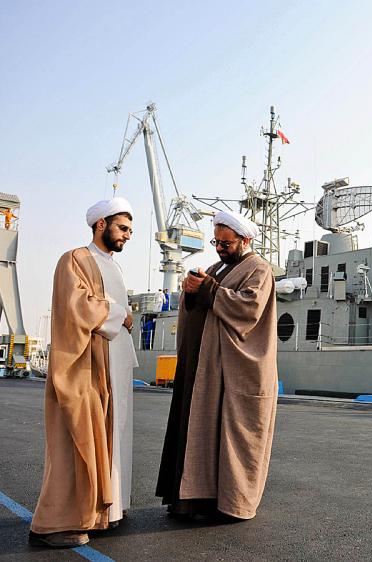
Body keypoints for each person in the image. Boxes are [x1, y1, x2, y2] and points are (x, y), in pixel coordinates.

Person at [156, 210, 277, 521]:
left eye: (226, 243)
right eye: (216, 242)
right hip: (203, 366)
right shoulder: (216, 267)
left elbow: (248, 308)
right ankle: (191, 500)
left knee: (230, 436)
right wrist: (190, 289)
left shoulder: (259, 269)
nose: (220, 247)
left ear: (245, 240)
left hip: (231, 370)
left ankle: (229, 503)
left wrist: (207, 288)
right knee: (196, 431)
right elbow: (203, 301)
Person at [29, 198, 136, 548]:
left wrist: (120, 315)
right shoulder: (75, 259)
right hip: (86, 367)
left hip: (114, 369)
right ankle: (55, 523)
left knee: (109, 440)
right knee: (76, 441)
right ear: (101, 224)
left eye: (131, 231)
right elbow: (76, 307)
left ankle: (104, 513)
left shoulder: (114, 267)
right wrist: (121, 314)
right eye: (123, 228)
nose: (127, 236)